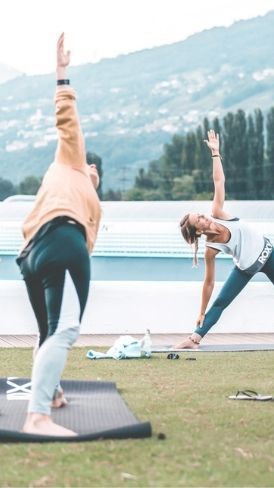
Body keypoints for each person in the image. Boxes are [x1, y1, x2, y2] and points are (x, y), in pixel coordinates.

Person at [17, 34, 101, 436]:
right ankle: (37, 417)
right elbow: (68, 124)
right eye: (92, 169)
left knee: (49, 330)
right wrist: (62, 74)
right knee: (66, 330)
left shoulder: (78, 196)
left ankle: (50, 396)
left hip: (34, 252)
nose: (94, 174)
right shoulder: (71, 162)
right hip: (59, 243)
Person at [174, 130, 274, 350]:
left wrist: (215, 153)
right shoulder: (210, 249)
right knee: (222, 302)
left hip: (267, 253)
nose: (204, 216)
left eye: (201, 214)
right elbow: (209, 283)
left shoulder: (217, 212)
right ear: (197, 232)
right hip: (246, 268)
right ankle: (194, 339)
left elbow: (219, 181)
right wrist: (201, 312)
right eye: (199, 220)